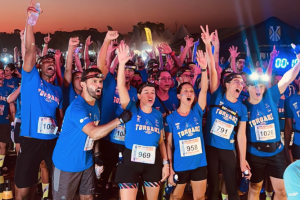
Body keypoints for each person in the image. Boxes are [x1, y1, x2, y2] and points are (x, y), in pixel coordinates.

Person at [52, 68, 132, 199]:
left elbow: (93, 136)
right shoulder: (77, 107)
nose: (99, 85)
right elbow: (94, 133)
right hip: (66, 162)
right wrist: (120, 120)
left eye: (100, 81)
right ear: (82, 84)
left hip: (86, 161)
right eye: (94, 81)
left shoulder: (95, 104)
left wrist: (97, 153)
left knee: (88, 197)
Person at [14, 3, 64, 199]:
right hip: (31, 140)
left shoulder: (58, 90)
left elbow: (59, 116)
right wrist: (31, 22)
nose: (50, 63)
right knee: (24, 187)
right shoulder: (31, 79)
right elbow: (29, 49)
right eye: (46, 62)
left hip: (51, 140)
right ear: (38, 66)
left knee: (49, 178)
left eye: (53, 62)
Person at [114, 42, 169, 200]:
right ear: (138, 96)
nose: (150, 94)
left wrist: (165, 163)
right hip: (131, 159)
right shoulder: (131, 107)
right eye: (146, 92)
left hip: (153, 161)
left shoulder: (158, 115)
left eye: (152, 92)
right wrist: (122, 62)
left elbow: (161, 141)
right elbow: (121, 87)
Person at [201, 25, 250, 200]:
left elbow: (241, 136)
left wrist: (243, 159)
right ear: (227, 84)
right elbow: (213, 68)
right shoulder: (216, 95)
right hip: (211, 148)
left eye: (241, 82)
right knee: (213, 186)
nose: (240, 84)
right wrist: (210, 45)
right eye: (236, 81)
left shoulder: (242, 108)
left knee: (232, 186)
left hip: (228, 149)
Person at [245, 49, 300, 200]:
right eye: (255, 86)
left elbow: (286, 79)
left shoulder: (270, 96)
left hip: (276, 152)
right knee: (255, 189)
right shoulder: (244, 107)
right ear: (247, 88)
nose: (258, 89)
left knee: (282, 191)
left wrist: (299, 62)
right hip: (255, 153)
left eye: (261, 87)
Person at [165, 50, 208, 200]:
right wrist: (170, 168)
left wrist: (203, 69)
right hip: (180, 164)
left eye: (191, 91)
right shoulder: (171, 118)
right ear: (178, 96)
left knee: (200, 197)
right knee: (175, 197)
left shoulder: (197, 111)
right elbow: (169, 145)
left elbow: (204, 90)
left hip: (199, 163)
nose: (189, 93)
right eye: (185, 91)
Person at [62, 37, 83, 112]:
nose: (80, 80)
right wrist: (70, 48)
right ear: (72, 82)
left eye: (82, 78)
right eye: (77, 78)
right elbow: (68, 69)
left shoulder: (88, 94)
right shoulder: (68, 90)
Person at [0, 68, 14, 171]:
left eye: (2, 73)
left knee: (3, 144)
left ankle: (0, 166)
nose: (1, 75)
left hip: (4, 121)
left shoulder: (8, 90)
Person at [284, 72, 300, 163]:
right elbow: (288, 126)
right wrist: (286, 146)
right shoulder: (290, 100)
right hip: (298, 141)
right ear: (297, 81)